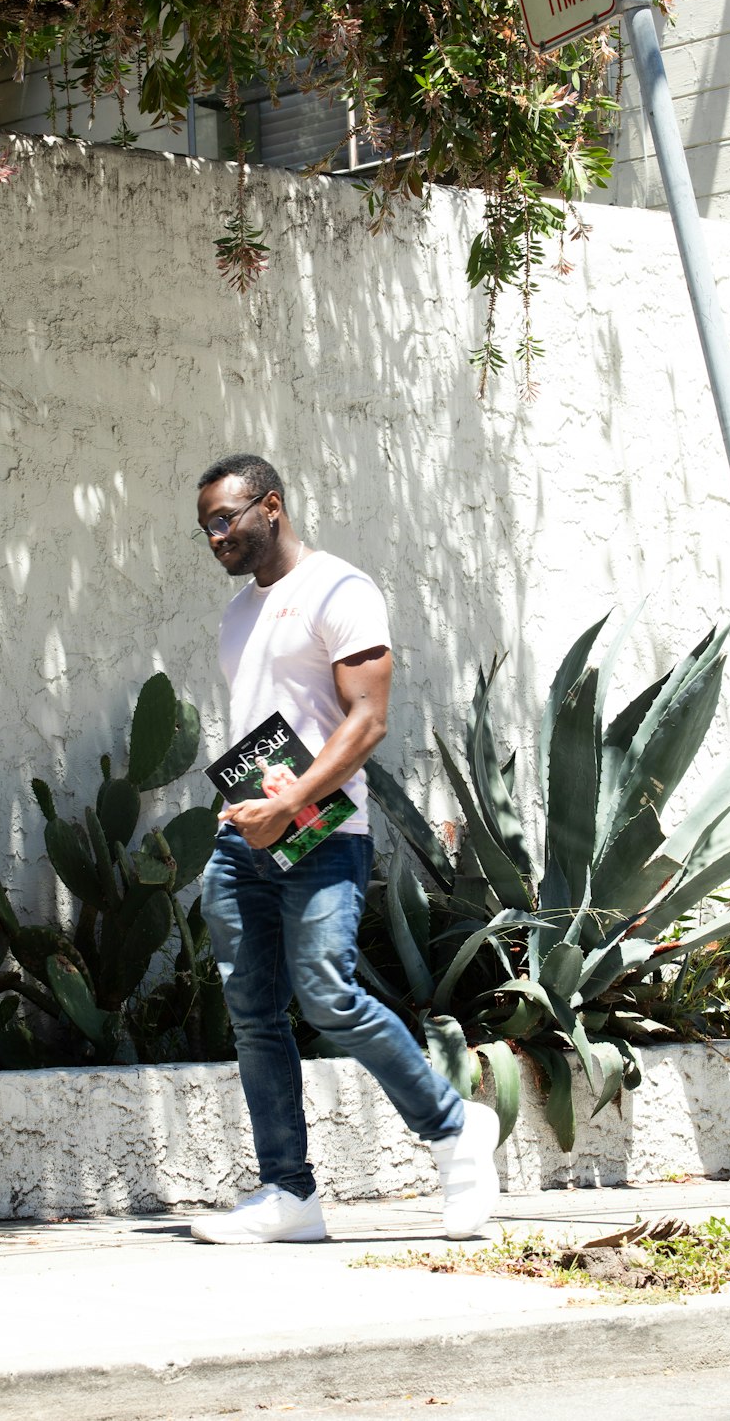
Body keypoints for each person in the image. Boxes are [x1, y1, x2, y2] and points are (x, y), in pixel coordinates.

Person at [190, 453, 499, 1245]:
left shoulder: (341, 590)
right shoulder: (236, 617)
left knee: (326, 995)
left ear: (272, 506)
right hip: (246, 839)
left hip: (325, 836)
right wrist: (253, 808)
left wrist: (290, 801)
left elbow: (366, 721)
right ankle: (289, 1195)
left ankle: (455, 1132)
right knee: (255, 1014)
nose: (216, 537)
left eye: (226, 520)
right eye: (207, 529)